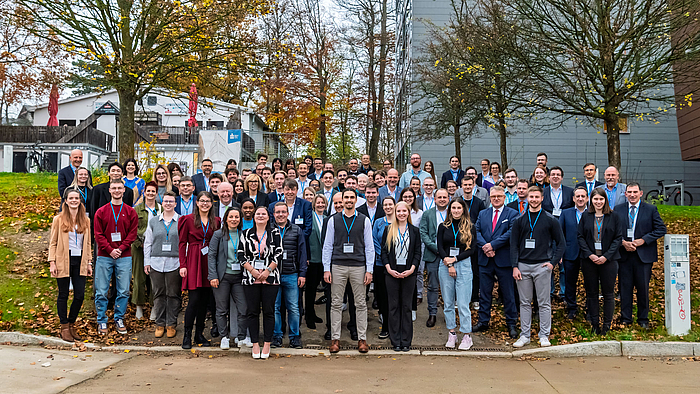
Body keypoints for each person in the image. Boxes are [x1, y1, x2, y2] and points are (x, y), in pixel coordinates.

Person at [510, 186, 565, 348]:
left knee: (544, 302)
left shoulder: (550, 220)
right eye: (531, 197)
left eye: (536, 197)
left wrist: (552, 263)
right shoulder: (519, 220)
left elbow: (561, 243)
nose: (533, 200)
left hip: (542, 266)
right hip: (523, 266)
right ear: (527, 198)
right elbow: (513, 245)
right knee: (525, 303)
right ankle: (525, 335)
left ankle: (544, 335)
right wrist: (515, 266)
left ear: (542, 199)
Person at [323, 189, 374, 354]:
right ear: (342, 200)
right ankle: (335, 339)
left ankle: (362, 339)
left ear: (356, 200)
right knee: (336, 304)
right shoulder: (333, 220)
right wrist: (326, 268)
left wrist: (370, 270)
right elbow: (328, 245)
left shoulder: (364, 220)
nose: (349, 200)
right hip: (338, 265)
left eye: (352, 197)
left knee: (360, 304)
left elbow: (370, 247)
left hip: (359, 266)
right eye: (346, 197)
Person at [614, 182, 667, 329]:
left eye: (635, 192)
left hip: (643, 256)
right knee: (625, 288)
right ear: (625, 194)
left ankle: (643, 319)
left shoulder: (650, 209)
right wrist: (623, 242)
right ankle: (626, 318)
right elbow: (611, 232)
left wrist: (643, 240)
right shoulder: (617, 210)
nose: (632, 195)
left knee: (643, 289)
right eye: (629, 192)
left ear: (641, 193)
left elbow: (661, 229)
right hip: (624, 255)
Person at [93, 179, 138, 335]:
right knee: (101, 291)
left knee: (124, 290)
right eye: (114, 188)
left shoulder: (131, 211)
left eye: (120, 188)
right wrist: (110, 249)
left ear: (124, 190)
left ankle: (119, 318)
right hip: (104, 256)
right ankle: (101, 320)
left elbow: (132, 234)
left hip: (124, 256)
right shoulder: (101, 211)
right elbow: (98, 234)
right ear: (109, 190)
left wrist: (120, 248)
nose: (117, 190)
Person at [473, 186, 519, 338]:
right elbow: (476, 231)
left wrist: (493, 245)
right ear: (490, 197)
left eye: (499, 196)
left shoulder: (512, 214)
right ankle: (483, 321)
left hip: (503, 260)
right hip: (485, 260)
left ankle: (511, 323)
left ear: (504, 197)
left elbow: (511, 233)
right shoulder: (483, 213)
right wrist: (486, 247)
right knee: (485, 293)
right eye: (493, 196)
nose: (496, 199)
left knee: (508, 294)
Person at [238, 206, 283, 359]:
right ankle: (256, 343)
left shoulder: (275, 232)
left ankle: (267, 343)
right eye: (258, 214)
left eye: (264, 214)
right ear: (253, 216)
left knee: (269, 311)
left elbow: (279, 252)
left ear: (268, 217)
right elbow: (240, 255)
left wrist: (267, 271)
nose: (261, 216)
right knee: (252, 312)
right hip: (251, 278)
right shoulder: (245, 233)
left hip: (270, 277)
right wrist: (253, 271)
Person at [578, 188, 623, 335]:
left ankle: (606, 325)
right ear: (591, 200)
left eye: (601, 199)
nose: (598, 202)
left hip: (609, 261)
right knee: (592, 293)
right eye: (595, 199)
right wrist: (590, 255)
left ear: (605, 200)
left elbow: (618, 238)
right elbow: (580, 237)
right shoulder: (586, 216)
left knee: (608, 293)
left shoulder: (614, 216)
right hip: (589, 261)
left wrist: (606, 256)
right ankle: (595, 323)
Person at [49, 189, 92, 342]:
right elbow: (53, 242)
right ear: (65, 201)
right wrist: (52, 262)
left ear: (80, 200)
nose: (74, 200)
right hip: (63, 258)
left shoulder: (85, 220)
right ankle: (64, 326)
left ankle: (71, 323)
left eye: (77, 198)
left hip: (79, 259)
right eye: (71, 198)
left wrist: (88, 262)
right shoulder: (58, 219)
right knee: (63, 294)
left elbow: (87, 243)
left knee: (79, 295)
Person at [179, 191, 221, 349]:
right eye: (202, 201)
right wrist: (182, 264)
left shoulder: (216, 221)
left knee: (205, 301)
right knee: (194, 300)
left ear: (212, 203)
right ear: (197, 203)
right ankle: (187, 335)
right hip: (194, 260)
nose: (205, 204)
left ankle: (199, 334)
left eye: (208, 201)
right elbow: (182, 243)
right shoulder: (188, 220)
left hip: (209, 261)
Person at [437, 198, 477, 350]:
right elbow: (439, 246)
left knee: (462, 303)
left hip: (463, 265)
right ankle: (452, 333)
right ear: (449, 209)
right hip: (445, 265)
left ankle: (467, 335)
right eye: (453, 208)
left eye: (459, 208)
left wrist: (455, 259)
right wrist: (448, 262)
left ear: (463, 209)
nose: (456, 210)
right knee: (448, 303)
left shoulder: (470, 227)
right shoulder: (443, 226)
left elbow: (472, 249)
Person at [381, 201, 421, 351]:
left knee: (406, 307)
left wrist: (412, 269)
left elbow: (417, 252)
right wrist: (389, 269)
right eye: (399, 211)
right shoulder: (388, 229)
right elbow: (384, 252)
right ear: (395, 213)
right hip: (391, 272)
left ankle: (406, 341)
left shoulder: (415, 231)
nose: (401, 214)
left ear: (408, 213)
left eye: (404, 211)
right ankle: (395, 340)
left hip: (409, 273)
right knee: (393, 307)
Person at [208, 206, 248, 349]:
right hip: (222, 277)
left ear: (240, 219)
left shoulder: (244, 234)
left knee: (243, 308)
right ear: (225, 219)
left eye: (237, 217)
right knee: (221, 309)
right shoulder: (218, 234)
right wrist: (212, 275)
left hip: (239, 277)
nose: (234, 219)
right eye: (231, 217)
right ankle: (224, 336)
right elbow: (211, 255)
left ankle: (241, 337)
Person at [144, 191, 181, 339]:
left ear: (175, 203)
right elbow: (148, 243)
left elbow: (185, 243)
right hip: (156, 262)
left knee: (173, 294)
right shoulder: (153, 221)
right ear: (162, 203)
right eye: (165, 201)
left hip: (175, 262)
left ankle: (171, 324)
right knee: (158, 294)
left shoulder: (181, 220)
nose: (168, 204)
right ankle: (160, 323)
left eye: (171, 201)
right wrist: (147, 262)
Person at [270, 202, 308, 349]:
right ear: (273, 214)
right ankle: (277, 336)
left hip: (291, 274)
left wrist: (302, 273)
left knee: (293, 307)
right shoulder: (269, 230)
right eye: (278, 212)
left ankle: (294, 336)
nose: (280, 214)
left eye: (283, 212)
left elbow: (302, 254)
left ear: (287, 213)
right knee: (275, 307)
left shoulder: (297, 230)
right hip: (273, 275)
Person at [419, 188, 449, 327]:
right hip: (433, 254)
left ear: (448, 198)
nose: (442, 199)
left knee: (449, 285)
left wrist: (446, 251)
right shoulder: (427, 214)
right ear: (435, 199)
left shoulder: (453, 212)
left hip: (450, 256)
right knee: (432, 286)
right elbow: (423, 233)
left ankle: (450, 314)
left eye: (445, 197)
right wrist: (437, 249)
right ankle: (432, 313)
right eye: (439, 197)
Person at [132, 182, 161, 320]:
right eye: (148, 191)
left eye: (153, 191)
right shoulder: (136, 209)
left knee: (154, 278)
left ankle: (154, 307)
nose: (150, 193)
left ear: (156, 193)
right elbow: (131, 230)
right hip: (139, 247)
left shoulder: (160, 209)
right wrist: (140, 243)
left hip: (156, 248)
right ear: (144, 192)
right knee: (139, 277)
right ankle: (139, 306)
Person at [558, 186, 589, 320]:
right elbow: (559, 235)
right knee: (570, 283)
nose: (580, 199)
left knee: (590, 283)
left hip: (589, 254)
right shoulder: (566, 213)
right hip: (570, 253)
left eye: (583, 196)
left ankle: (590, 309)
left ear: (587, 198)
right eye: (578, 196)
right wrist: (559, 253)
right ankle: (571, 308)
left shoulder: (593, 213)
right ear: (573, 199)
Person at [372, 196, 396, 339]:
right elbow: (374, 240)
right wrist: (383, 256)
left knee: (392, 296)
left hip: (396, 265)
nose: (387, 207)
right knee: (382, 295)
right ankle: (385, 324)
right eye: (385, 205)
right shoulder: (378, 223)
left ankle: (392, 325)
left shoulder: (399, 222)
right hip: (381, 264)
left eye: (390, 204)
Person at [306, 194, 328, 329]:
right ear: (314, 204)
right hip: (312, 259)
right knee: (311, 289)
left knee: (325, 289)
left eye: (323, 203)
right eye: (318, 203)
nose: (320, 205)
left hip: (324, 260)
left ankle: (314, 314)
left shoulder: (327, 219)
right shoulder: (310, 218)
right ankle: (309, 315)